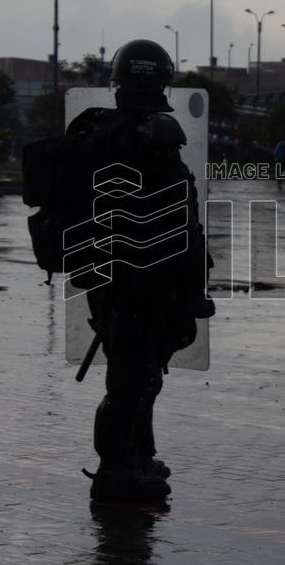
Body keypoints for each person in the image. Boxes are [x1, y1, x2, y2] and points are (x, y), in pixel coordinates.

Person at [73, 39, 215, 503]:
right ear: (161, 82)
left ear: (119, 83)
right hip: (148, 283)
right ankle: (117, 473)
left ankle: (136, 458)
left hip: (103, 279)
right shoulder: (158, 136)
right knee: (133, 380)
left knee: (133, 374)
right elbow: (183, 225)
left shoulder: (95, 133)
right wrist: (194, 291)